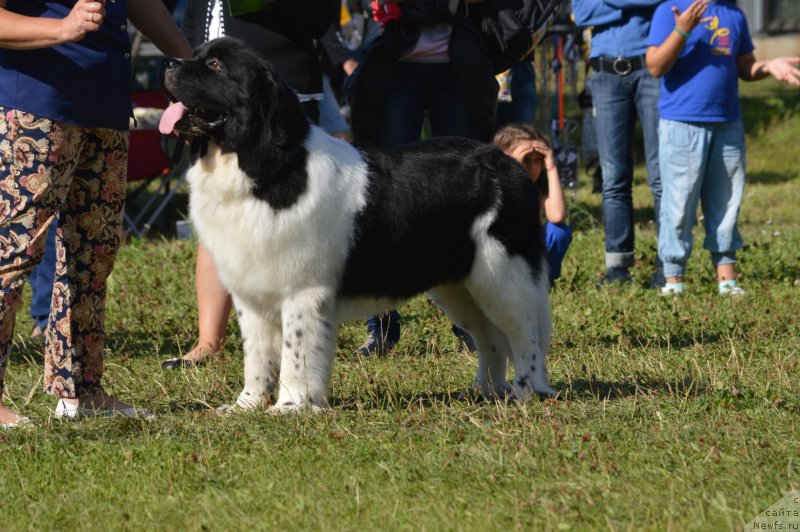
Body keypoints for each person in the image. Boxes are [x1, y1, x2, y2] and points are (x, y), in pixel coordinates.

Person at [0, 0, 193, 427]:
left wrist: (189, 63)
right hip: (37, 107)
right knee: (12, 254)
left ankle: (80, 391)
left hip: (106, 106)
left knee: (93, 254)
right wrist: (61, 29)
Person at [159, 0, 339, 370]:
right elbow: (194, 15)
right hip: (210, 97)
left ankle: (293, 340)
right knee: (217, 220)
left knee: (285, 229)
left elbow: (320, 17)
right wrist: (188, 80)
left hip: (273, 96)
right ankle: (208, 342)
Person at [348, 0, 499, 355]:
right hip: (395, 63)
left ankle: (470, 323)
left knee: (463, 198)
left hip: (459, 64)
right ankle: (381, 327)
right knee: (384, 199)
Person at [645, 0, 800, 296]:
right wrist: (682, 29)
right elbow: (655, 66)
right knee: (679, 205)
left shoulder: (733, 13)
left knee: (727, 201)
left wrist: (768, 66)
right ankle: (674, 279)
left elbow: (745, 66)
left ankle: (727, 279)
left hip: (727, 124)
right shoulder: (669, 10)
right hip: (682, 124)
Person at [572, 0, 664, 286]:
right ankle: (617, 269)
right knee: (613, 178)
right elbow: (581, 13)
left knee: (661, 177)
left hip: (651, 67)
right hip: (605, 72)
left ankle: (668, 266)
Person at [493, 124, 572, 284]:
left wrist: (551, 167)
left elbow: (557, 216)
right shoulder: (493, 184)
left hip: (529, 259)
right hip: (498, 265)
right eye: (526, 159)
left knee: (559, 232)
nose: (533, 167)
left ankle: (542, 282)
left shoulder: (538, 183)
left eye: (538, 160)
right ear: (504, 157)